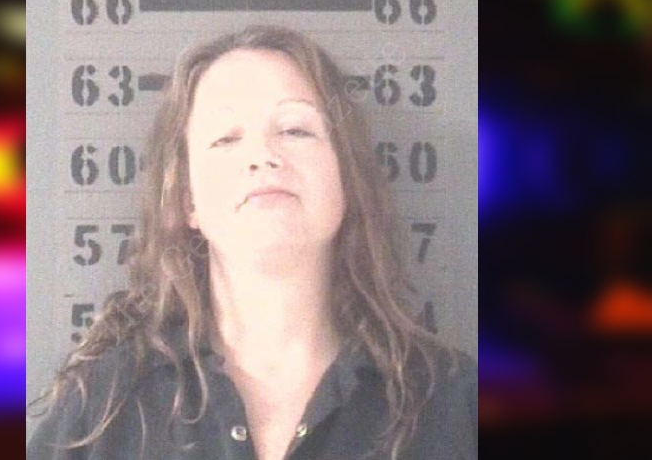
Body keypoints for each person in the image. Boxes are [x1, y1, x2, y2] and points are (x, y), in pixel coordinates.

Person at [27, 25, 477, 460]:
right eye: (226, 139)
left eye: (295, 130)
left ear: (347, 179)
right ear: (186, 200)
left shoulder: (454, 406)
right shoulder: (100, 410)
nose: (264, 155)